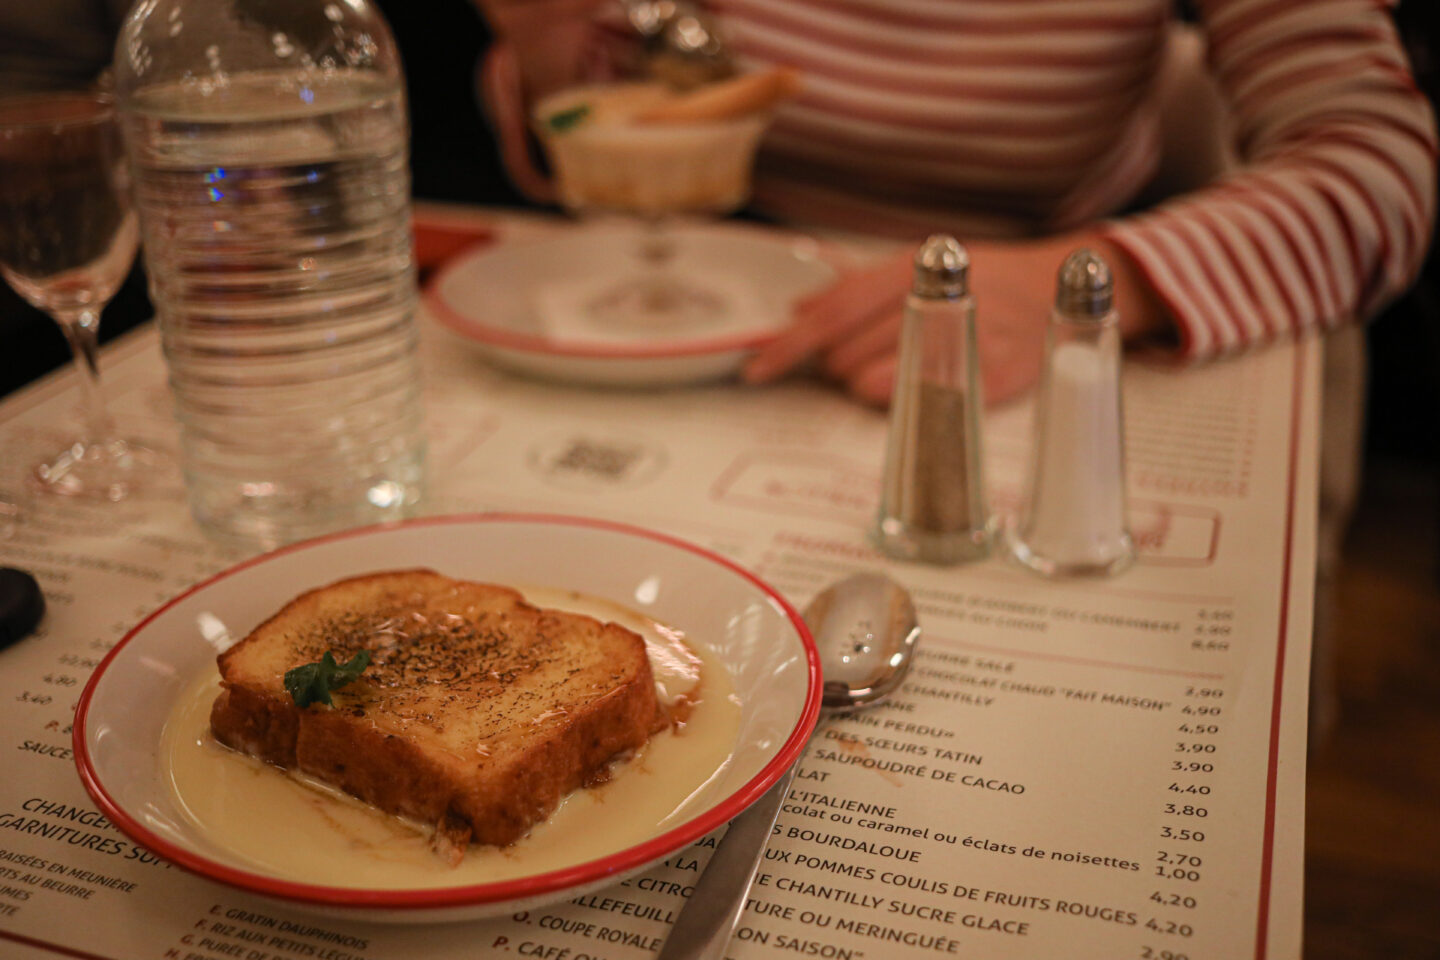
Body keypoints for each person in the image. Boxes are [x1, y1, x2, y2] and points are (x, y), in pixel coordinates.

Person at [473, 0, 1436, 405]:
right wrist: (553, 44)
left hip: (1045, 337)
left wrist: (1080, 288)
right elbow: (614, 129)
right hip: (734, 318)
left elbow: (1377, 169)